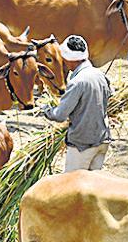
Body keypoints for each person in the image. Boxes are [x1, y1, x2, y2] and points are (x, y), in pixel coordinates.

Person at [43, 35, 112, 172]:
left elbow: (60, 115)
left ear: (69, 60)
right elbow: (110, 96)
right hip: (102, 140)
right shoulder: (100, 75)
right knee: (92, 187)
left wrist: (47, 110)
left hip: (82, 145)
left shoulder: (77, 82)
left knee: (72, 189)